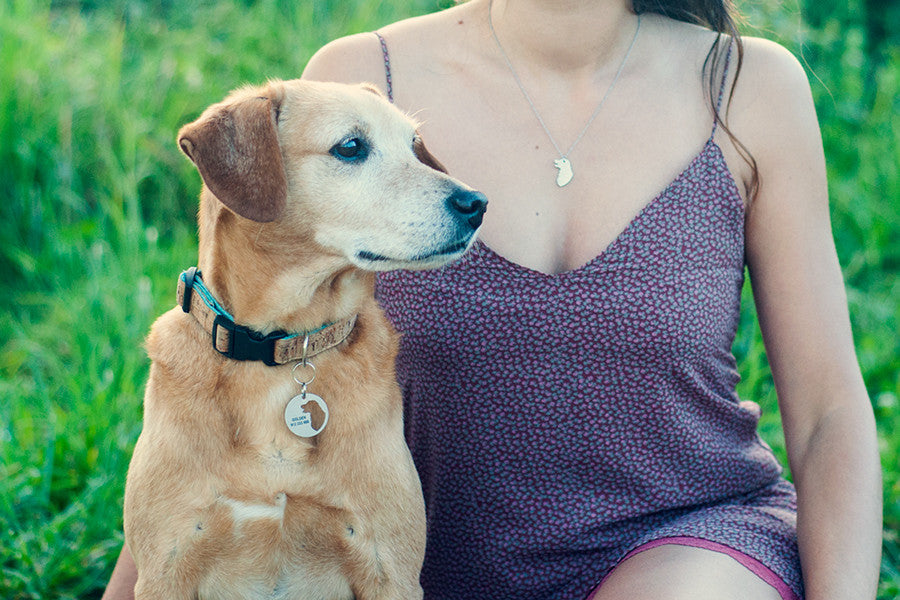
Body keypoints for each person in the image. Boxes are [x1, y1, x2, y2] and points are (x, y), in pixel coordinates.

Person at [104, 1, 882, 599]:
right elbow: (235, 339)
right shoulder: (364, 81)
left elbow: (827, 415)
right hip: (412, 561)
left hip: (690, 541)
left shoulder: (749, 86)